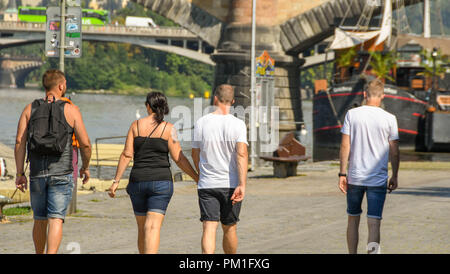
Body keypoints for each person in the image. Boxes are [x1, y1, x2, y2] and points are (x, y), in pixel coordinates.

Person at [108, 92, 199, 254]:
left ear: (148, 106)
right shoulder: (168, 128)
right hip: (161, 183)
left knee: (142, 228)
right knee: (153, 227)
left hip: (137, 182)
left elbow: (127, 155)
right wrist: (196, 177)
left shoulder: (135, 125)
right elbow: (179, 158)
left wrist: (116, 181)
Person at [14, 69, 92, 254]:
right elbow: (86, 144)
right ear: (61, 86)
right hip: (62, 174)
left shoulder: (29, 108)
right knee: (56, 219)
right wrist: (85, 167)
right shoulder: (70, 109)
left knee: (39, 218)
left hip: (37, 174)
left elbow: (19, 141)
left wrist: (19, 173)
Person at [338, 79, 400, 254]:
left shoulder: (352, 114)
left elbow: (345, 146)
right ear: (382, 96)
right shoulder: (390, 118)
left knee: (353, 220)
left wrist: (342, 174)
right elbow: (394, 150)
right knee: (374, 223)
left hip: (355, 177)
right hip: (378, 179)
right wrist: (394, 175)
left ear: (365, 95)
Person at [192, 84, 248, 254]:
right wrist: (242, 184)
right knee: (230, 228)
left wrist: (201, 174)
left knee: (209, 228)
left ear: (215, 98)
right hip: (231, 184)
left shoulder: (201, 123)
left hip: (207, 184)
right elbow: (242, 154)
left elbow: (195, 154)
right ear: (233, 101)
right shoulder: (238, 124)